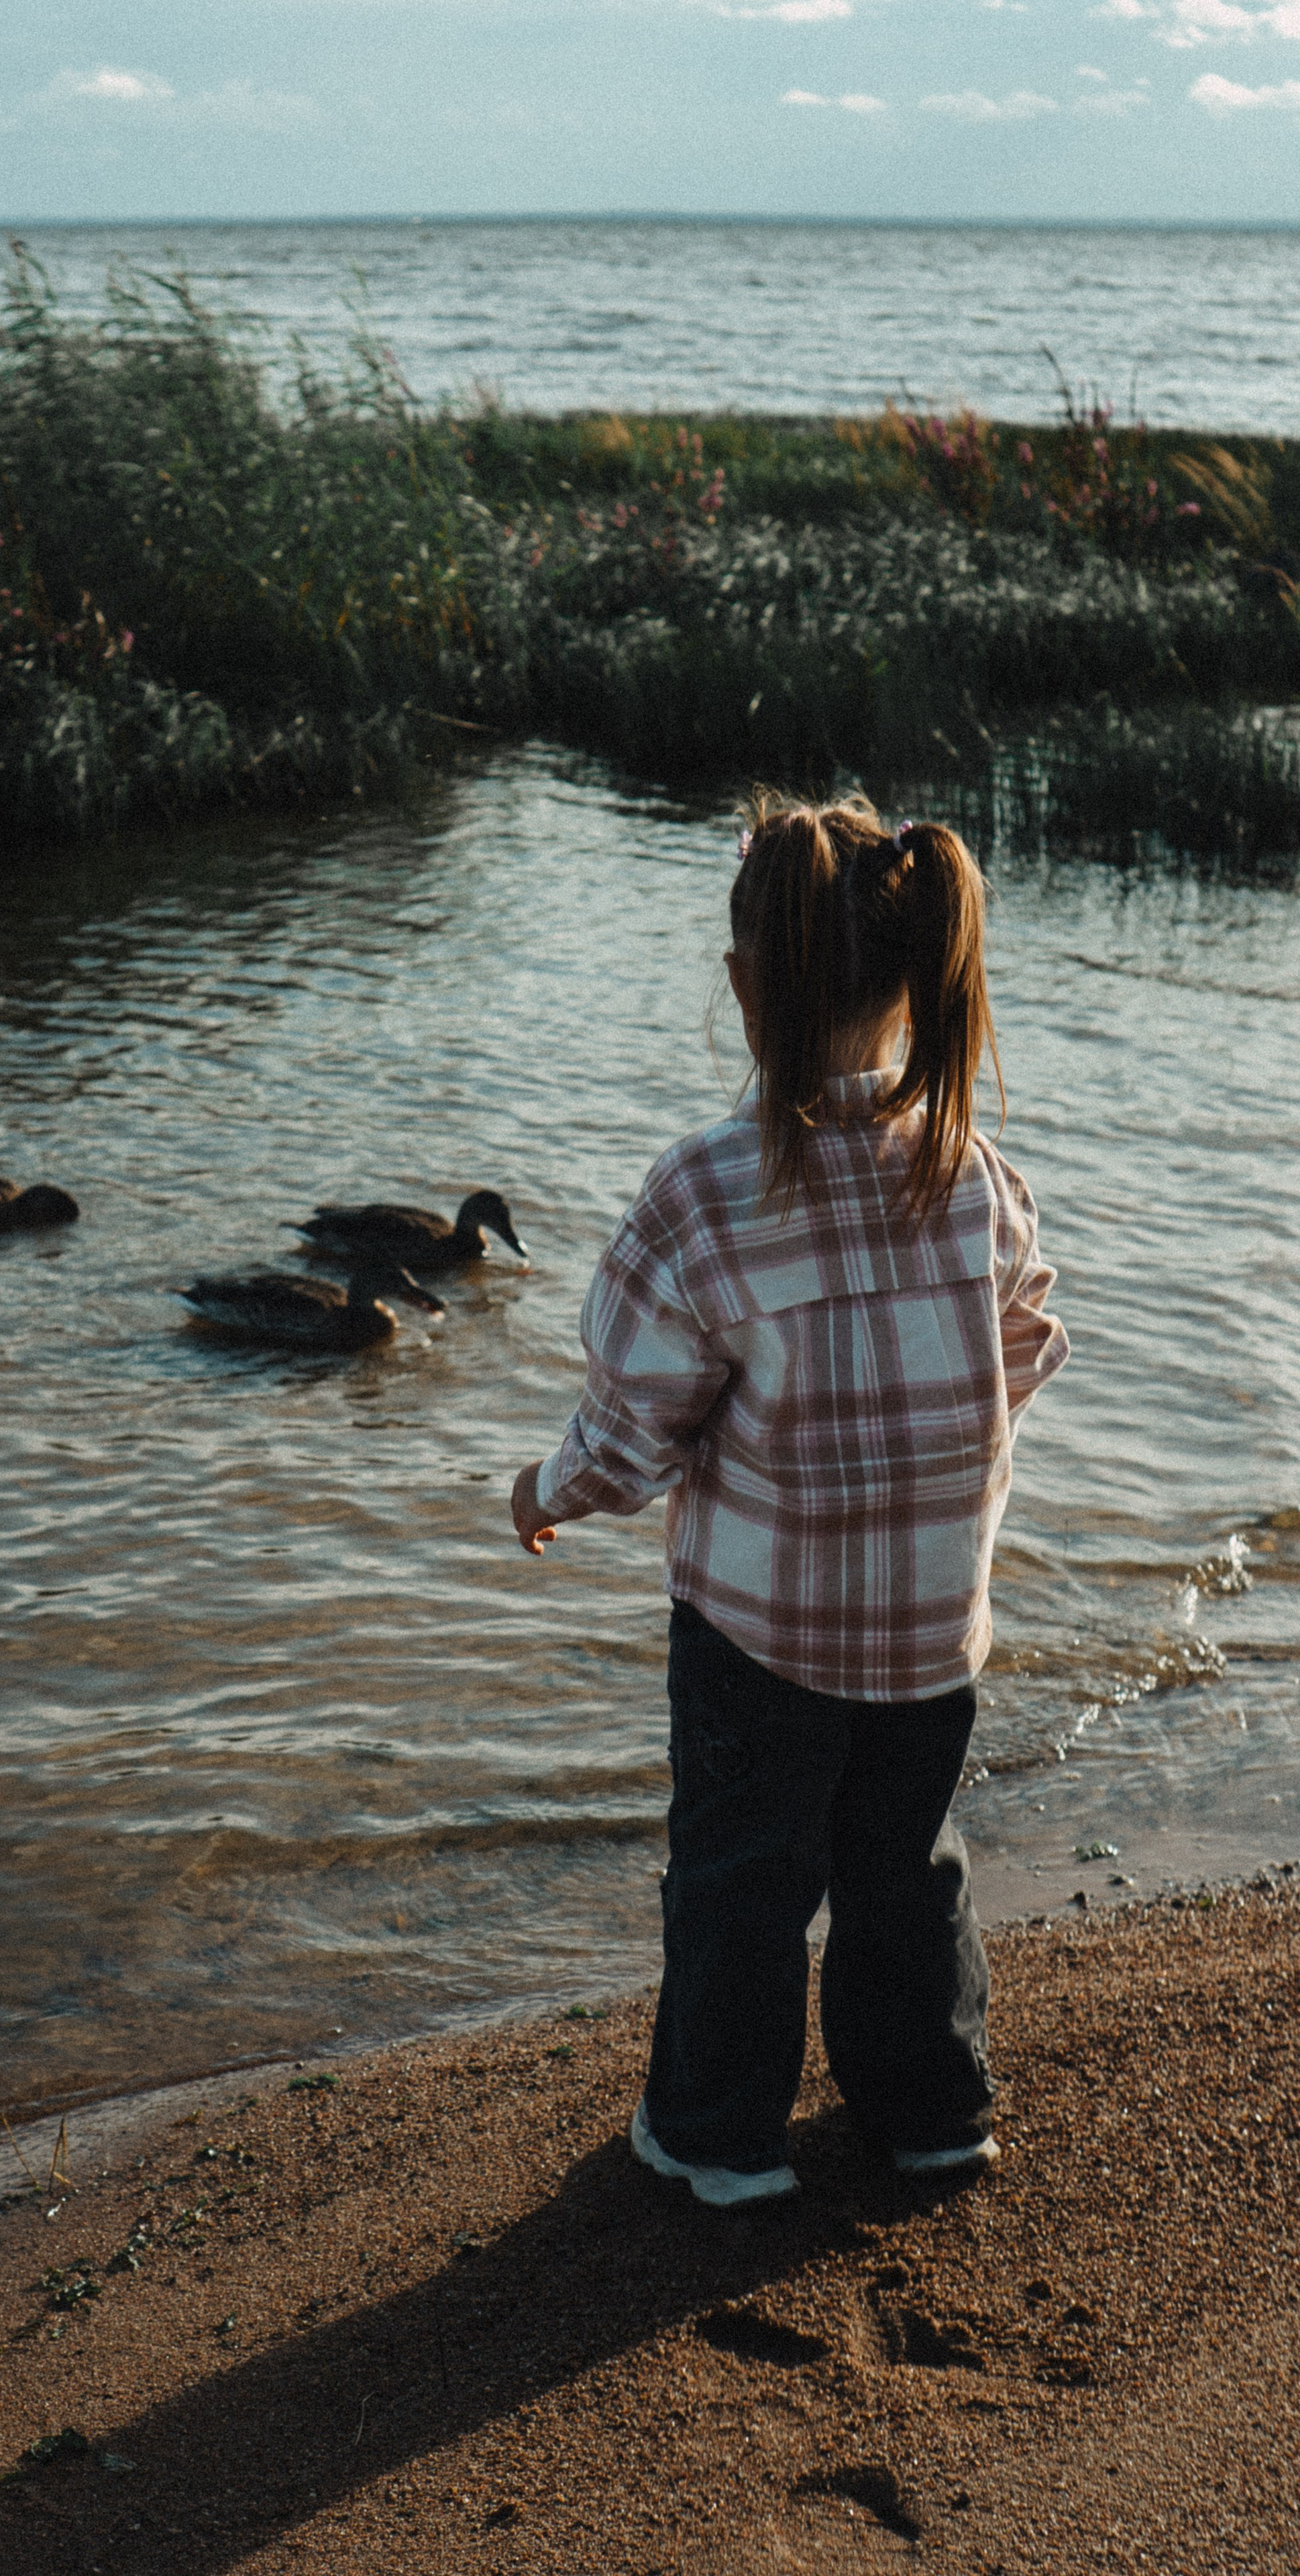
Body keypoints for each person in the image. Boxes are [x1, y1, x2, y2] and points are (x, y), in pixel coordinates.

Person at [510, 796, 1068, 2209]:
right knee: (904, 1873)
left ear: (746, 986)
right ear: (907, 977)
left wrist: (546, 1491)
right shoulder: (969, 1173)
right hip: (933, 1633)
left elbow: (634, 1425)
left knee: (739, 1884)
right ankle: (932, 2114)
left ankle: (716, 2138)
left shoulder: (701, 1194)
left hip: (762, 1643)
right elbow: (1026, 1346)